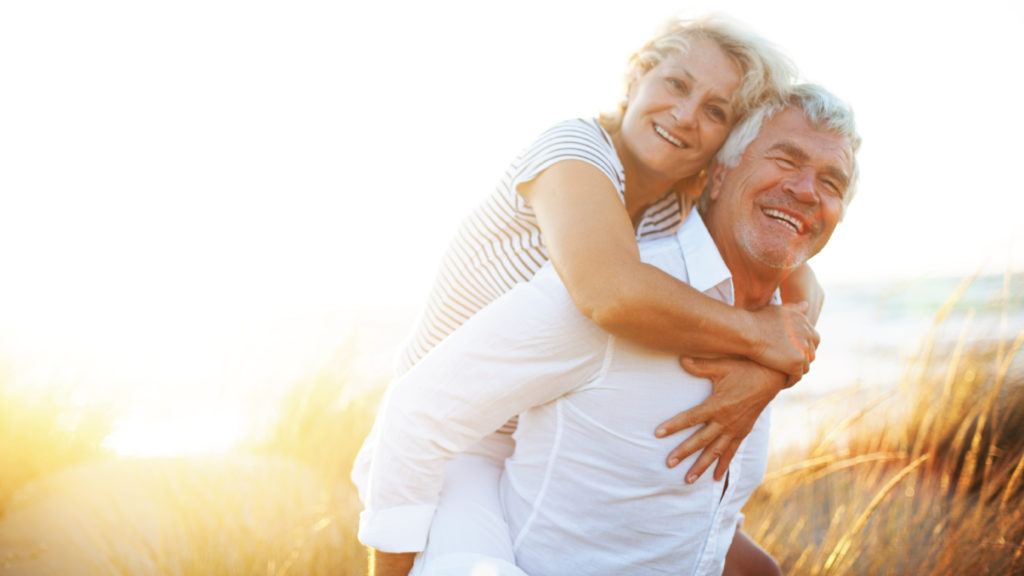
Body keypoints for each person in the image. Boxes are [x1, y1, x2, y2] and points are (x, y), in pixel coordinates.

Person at [352, 14, 813, 575]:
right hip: (455, 441)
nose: (687, 115)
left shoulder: (679, 206)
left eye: (716, 111)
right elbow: (610, 294)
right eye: (676, 84)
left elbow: (798, 280)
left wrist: (772, 369)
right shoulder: (573, 150)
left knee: (757, 572)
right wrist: (764, 340)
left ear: (725, 144)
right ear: (636, 77)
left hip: (543, 442)